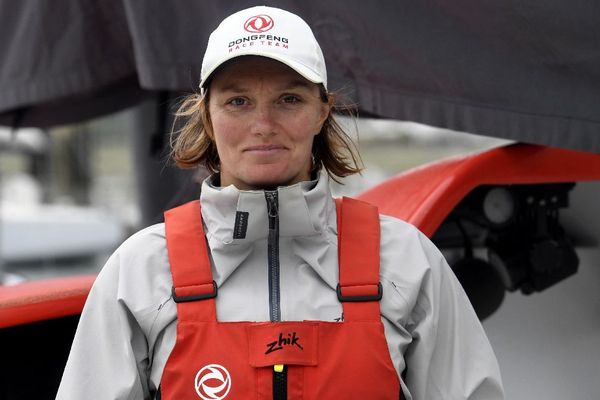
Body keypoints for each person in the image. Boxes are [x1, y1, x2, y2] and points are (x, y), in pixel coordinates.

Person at [57, 6, 504, 400]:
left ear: (322, 111)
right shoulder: (141, 269)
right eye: (238, 101)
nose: (263, 124)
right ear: (208, 116)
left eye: (289, 99)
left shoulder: (406, 261)